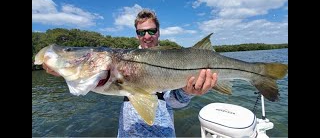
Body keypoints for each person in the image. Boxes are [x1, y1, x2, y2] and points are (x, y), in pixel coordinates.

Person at [43, 9, 218, 137]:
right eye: (142, 32)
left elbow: (174, 102)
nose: (147, 36)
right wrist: (64, 70)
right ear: (136, 35)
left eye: (151, 31)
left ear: (159, 32)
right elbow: (89, 80)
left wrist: (188, 92)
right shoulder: (123, 58)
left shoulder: (172, 57)